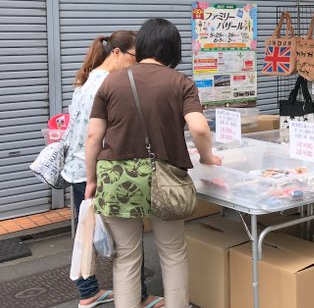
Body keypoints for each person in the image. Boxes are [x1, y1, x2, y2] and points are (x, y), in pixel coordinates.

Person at [84, 19, 221, 308]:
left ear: (143, 45)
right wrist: (208, 157)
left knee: (126, 256)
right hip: (165, 179)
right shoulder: (181, 82)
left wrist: (91, 180)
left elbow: (94, 134)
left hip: (117, 178)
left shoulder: (112, 81)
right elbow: (199, 128)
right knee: (172, 253)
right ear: (173, 49)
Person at [64, 31, 161, 308]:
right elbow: (97, 136)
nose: (137, 63)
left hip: (78, 167)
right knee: (127, 236)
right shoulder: (110, 84)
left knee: (86, 229)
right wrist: (94, 177)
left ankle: (88, 291)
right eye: (135, 57)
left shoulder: (87, 79)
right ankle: (139, 296)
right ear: (116, 53)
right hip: (99, 170)